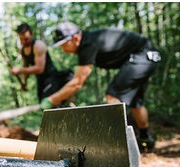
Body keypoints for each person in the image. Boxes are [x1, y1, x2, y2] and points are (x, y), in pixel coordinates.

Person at [44, 22, 160, 152]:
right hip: (147, 55)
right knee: (135, 102)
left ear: (75, 38)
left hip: (143, 55)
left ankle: (118, 146)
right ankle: (146, 140)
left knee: (113, 96)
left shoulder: (87, 45)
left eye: (64, 45)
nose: (63, 49)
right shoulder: (89, 40)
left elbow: (77, 82)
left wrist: (51, 99)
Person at [11, 23, 73, 102]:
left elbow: (39, 69)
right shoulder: (23, 50)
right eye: (21, 39)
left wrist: (19, 70)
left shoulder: (38, 46)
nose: (23, 41)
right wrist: (24, 82)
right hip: (40, 80)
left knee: (48, 101)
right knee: (42, 102)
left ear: (31, 34)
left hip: (51, 77)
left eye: (26, 39)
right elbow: (25, 66)